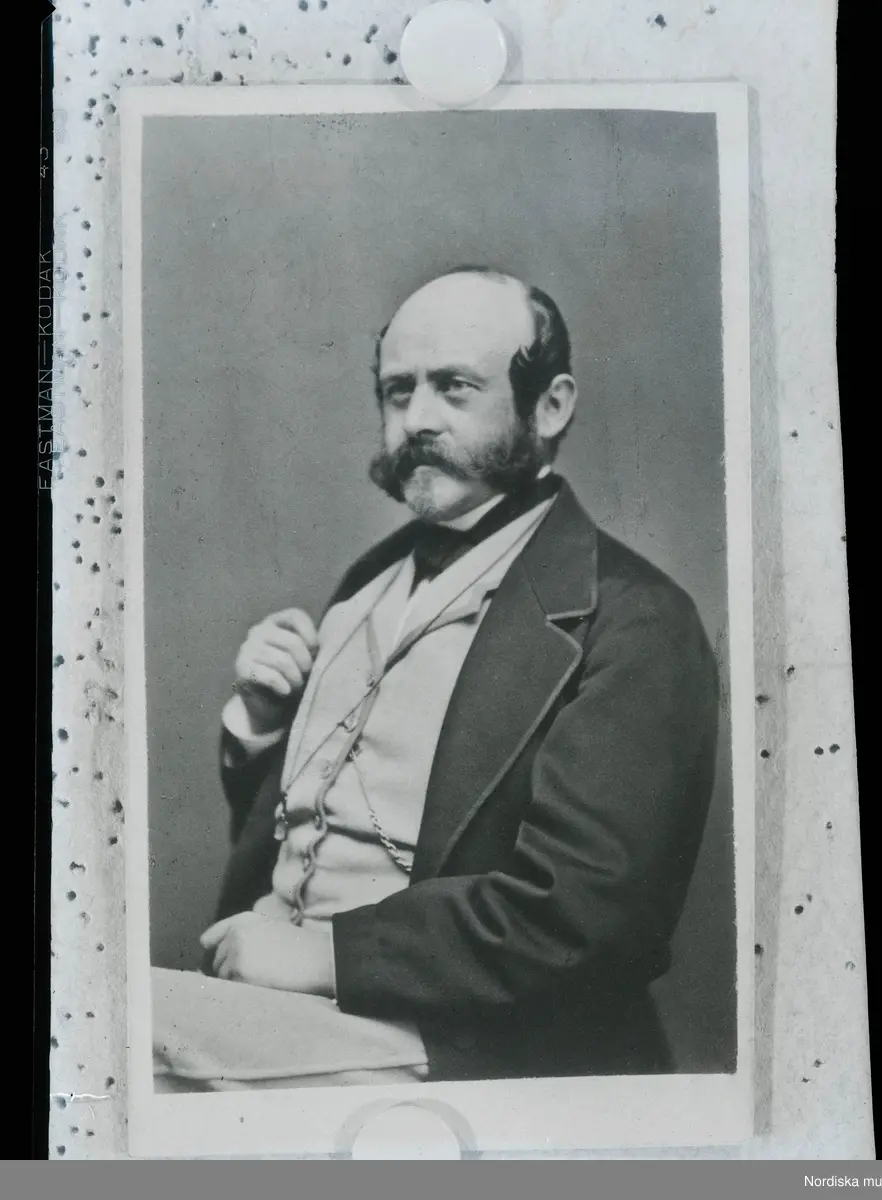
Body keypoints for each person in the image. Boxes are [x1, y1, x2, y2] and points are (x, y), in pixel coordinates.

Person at [152, 266, 720, 1092]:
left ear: (550, 405)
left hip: (466, 1046)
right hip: (280, 1009)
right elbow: (314, 832)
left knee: (91, 1033)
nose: (416, 419)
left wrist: (327, 956)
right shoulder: (368, 582)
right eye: (398, 391)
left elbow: (589, 918)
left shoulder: (638, 622)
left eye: (454, 387)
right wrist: (263, 726)